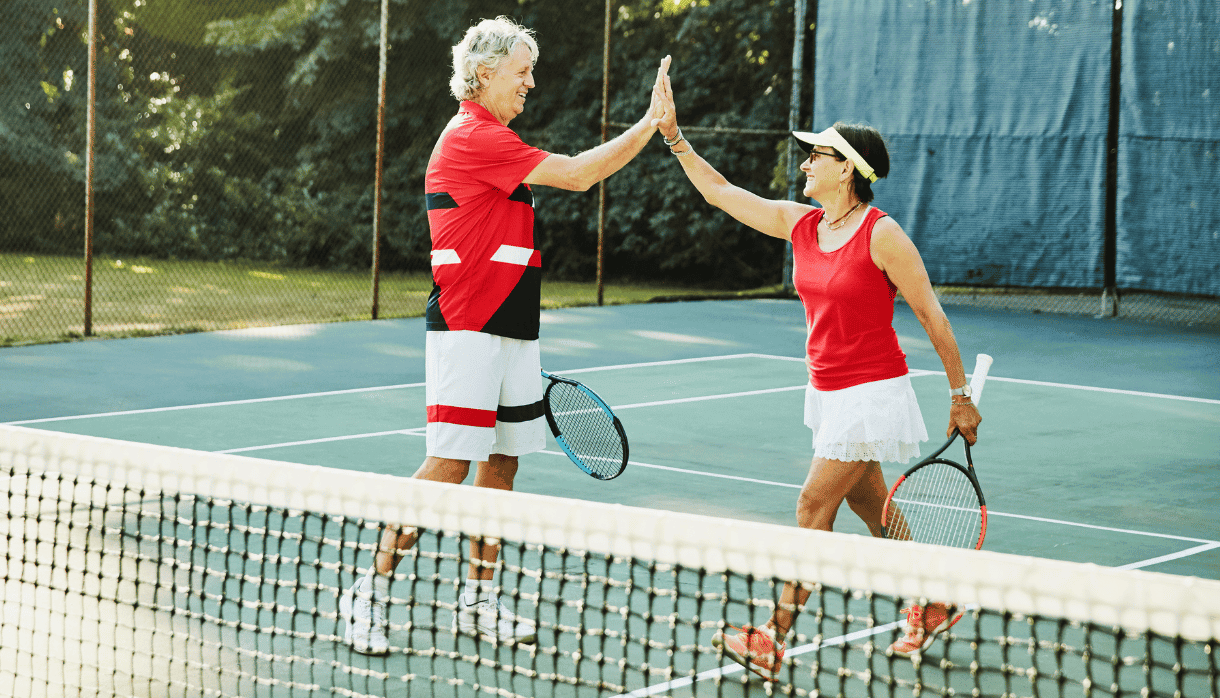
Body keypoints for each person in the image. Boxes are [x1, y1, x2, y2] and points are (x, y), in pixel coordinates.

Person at [337, 18, 673, 656]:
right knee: (449, 464)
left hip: (515, 327)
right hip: (468, 328)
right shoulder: (472, 137)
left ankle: (479, 601)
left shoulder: (497, 139)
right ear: (484, 73)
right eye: (521, 71)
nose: (530, 82)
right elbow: (576, 174)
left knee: (502, 464)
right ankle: (368, 593)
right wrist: (649, 125)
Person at [651, 62, 983, 679]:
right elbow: (723, 195)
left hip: (872, 392)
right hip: (828, 391)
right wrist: (675, 138)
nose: (804, 164)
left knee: (811, 507)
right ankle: (936, 597)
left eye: (817, 155)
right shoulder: (802, 225)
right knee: (874, 506)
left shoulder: (883, 236)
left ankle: (771, 638)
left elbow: (933, 317)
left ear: (849, 169)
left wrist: (959, 395)